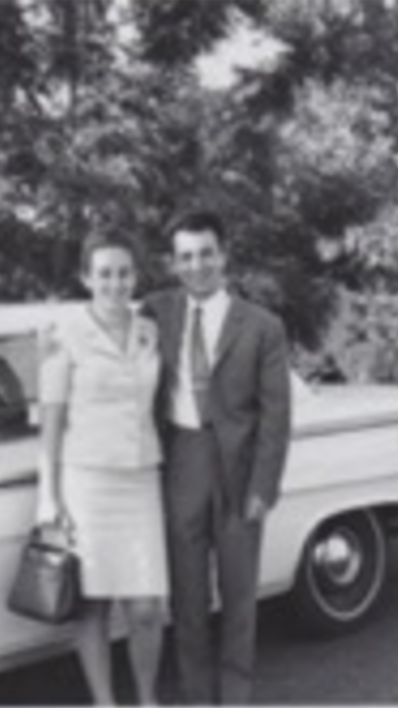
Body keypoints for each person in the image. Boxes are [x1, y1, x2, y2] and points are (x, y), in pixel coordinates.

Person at [141, 209, 292, 705]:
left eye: (206, 253)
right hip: (181, 461)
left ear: (224, 255)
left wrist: (263, 488)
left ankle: (236, 697)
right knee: (188, 599)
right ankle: (197, 697)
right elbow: (104, 328)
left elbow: (276, 416)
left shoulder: (263, 326)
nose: (197, 265)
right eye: (185, 257)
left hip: (239, 470)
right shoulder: (156, 312)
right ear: (173, 263)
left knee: (239, 597)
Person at [37, 232, 168, 705]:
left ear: (135, 277)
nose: (115, 283)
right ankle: (105, 702)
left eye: (124, 273)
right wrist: (49, 498)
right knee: (92, 604)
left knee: (147, 607)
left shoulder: (149, 331)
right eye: (105, 273)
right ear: (86, 278)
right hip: (87, 484)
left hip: (141, 478)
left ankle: (147, 700)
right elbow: (51, 422)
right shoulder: (62, 334)